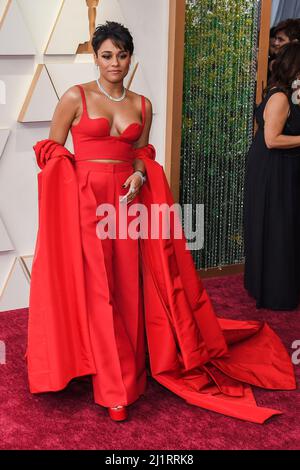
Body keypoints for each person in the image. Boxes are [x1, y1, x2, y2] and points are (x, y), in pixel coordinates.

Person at [26, 21, 296, 424]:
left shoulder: (142, 104)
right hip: (87, 206)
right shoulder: (74, 97)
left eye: (121, 55)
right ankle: (112, 386)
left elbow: (141, 151)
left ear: (131, 57)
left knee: (129, 291)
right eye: (106, 55)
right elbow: (50, 148)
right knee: (99, 290)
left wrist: (139, 173)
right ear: (94, 57)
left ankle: (128, 370)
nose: (114, 63)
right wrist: (76, 178)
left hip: (129, 204)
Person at [244, 42, 300, 310]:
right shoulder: (280, 97)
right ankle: (274, 291)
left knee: (279, 225)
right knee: (277, 225)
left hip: (279, 166)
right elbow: (272, 139)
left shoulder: (289, 95)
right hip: (273, 167)